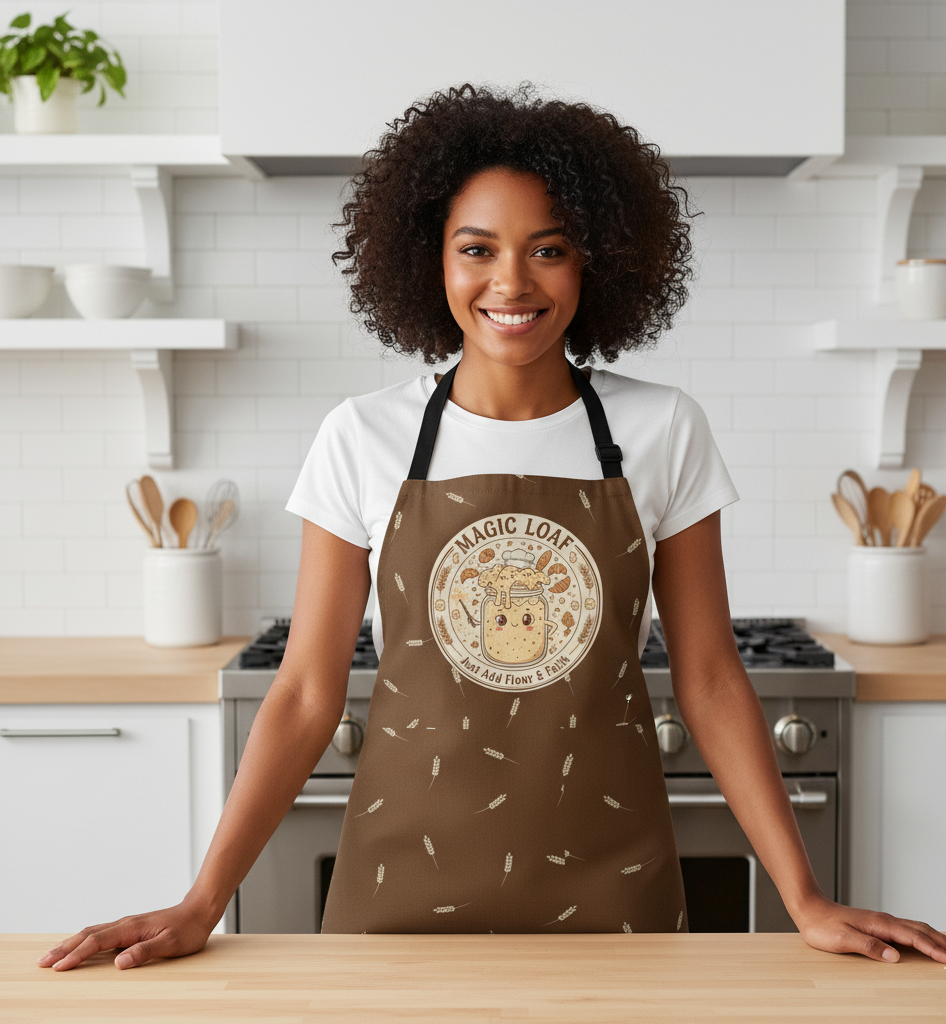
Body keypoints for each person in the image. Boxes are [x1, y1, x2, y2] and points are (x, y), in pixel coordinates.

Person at [40, 84, 946, 968]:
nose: (510, 282)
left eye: (548, 250)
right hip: (396, 893)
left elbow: (709, 680)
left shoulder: (661, 429)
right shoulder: (363, 436)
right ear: (430, 260)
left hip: (614, 894)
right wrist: (202, 904)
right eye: (478, 248)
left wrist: (805, 899)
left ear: (597, 260)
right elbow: (307, 693)